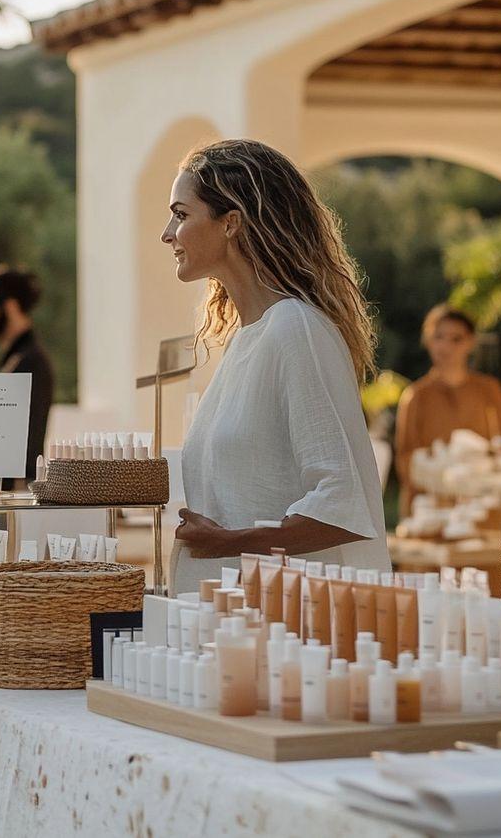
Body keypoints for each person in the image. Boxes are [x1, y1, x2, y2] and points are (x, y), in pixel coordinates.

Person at [167, 139, 390, 595]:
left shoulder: (296, 328)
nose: (168, 233)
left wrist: (228, 543)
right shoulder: (247, 339)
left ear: (230, 223)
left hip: (287, 630)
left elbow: (342, 501)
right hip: (235, 625)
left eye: (182, 214)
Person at [394, 305, 501, 515]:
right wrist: (442, 477)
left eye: (456, 339)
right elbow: (405, 462)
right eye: (439, 337)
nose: (446, 346)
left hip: (480, 511)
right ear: (428, 340)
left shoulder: (490, 390)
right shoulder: (415, 396)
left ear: (471, 342)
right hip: (430, 514)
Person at [0, 265, 55, 484]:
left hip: (14, 492)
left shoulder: (29, 361)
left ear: (9, 307)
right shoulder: (20, 358)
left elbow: (23, 441)